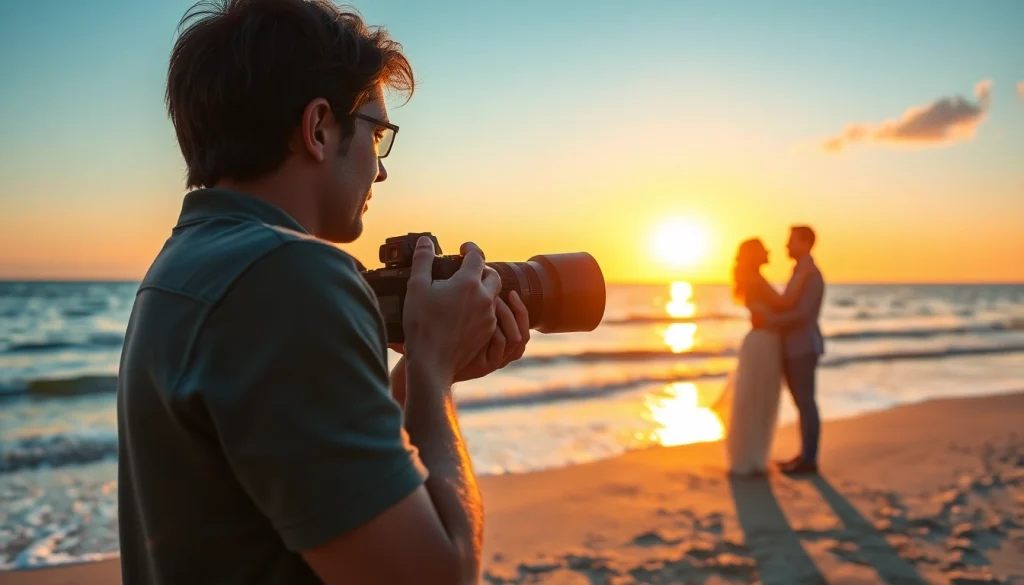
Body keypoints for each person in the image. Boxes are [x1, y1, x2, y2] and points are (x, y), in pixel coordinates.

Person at [116, 2, 530, 584]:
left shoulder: (185, 266)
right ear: (318, 128)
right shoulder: (289, 276)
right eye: (377, 134)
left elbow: (295, 472)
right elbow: (436, 575)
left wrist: (420, 369)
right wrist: (433, 373)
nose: (380, 170)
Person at [717, 238, 809, 476]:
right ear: (754, 254)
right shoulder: (754, 279)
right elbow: (784, 303)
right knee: (757, 399)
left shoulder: (752, 278)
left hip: (763, 341)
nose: (769, 251)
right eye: (763, 249)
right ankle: (750, 457)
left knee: (756, 399)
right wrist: (802, 277)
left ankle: (753, 455)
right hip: (763, 342)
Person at [763, 225, 826, 475]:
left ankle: (809, 460)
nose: (786, 246)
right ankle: (804, 455)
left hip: (803, 346)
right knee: (802, 402)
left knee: (806, 402)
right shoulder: (801, 270)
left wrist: (770, 322)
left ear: (805, 243)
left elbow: (803, 314)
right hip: (794, 346)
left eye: (791, 241)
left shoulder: (810, 272)